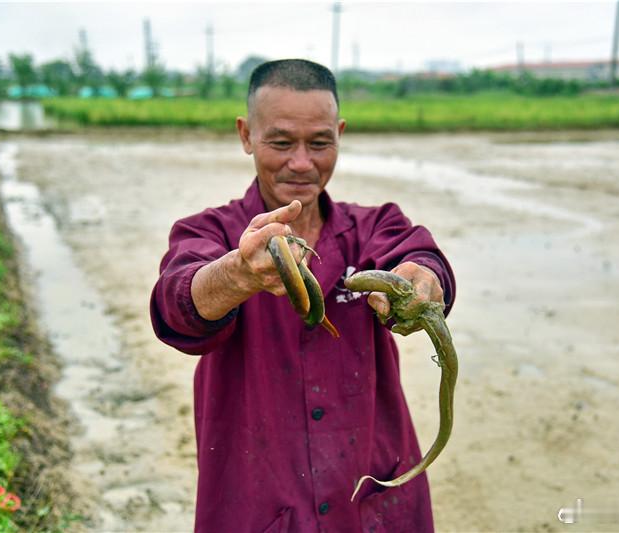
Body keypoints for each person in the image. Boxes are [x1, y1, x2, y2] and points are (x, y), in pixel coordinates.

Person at [150, 59, 455, 533]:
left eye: (319, 143)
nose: (301, 163)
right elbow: (177, 302)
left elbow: (417, 252)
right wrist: (237, 272)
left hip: (372, 497)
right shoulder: (209, 232)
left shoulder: (375, 226)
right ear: (246, 135)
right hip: (259, 502)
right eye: (280, 142)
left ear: (340, 134)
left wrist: (421, 281)